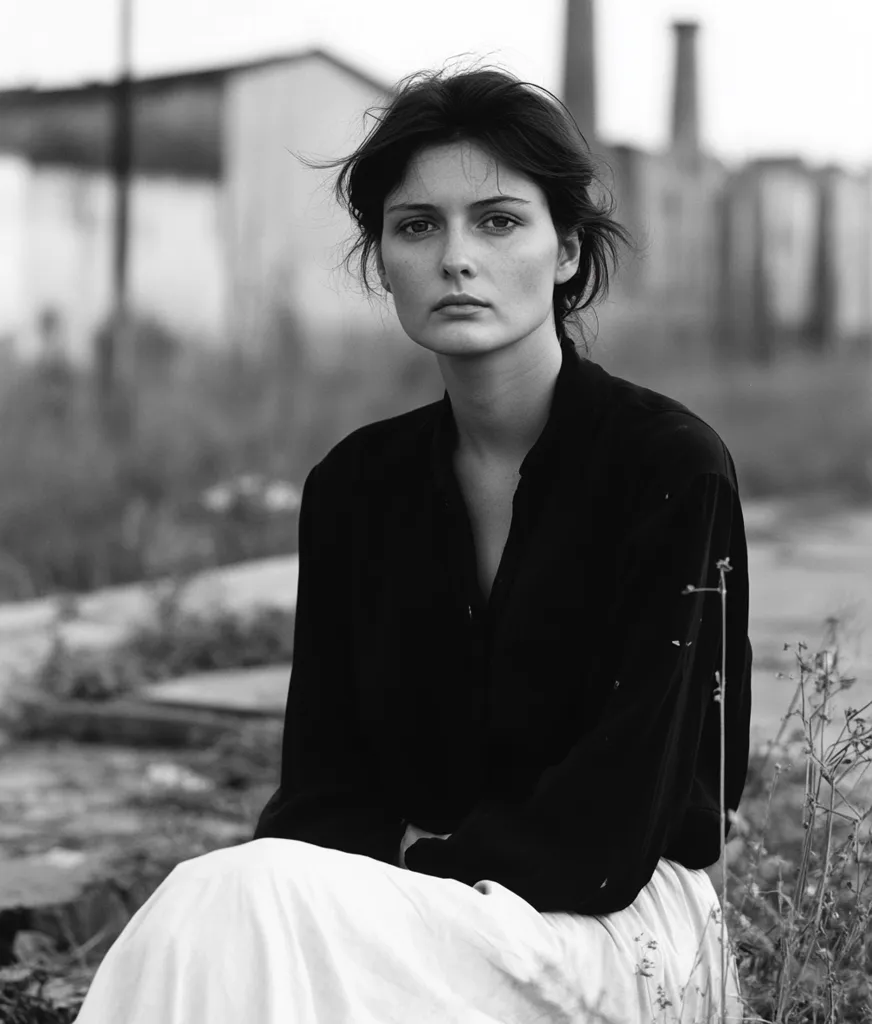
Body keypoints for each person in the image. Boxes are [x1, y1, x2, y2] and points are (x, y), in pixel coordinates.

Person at [74, 62, 752, 1024]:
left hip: (623, 932)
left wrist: (412, 874)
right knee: (233, 899)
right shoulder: (354, 489)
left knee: (234, 901)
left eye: (500, 220)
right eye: (417, 225)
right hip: (420, 914)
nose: (455, 257)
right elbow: (320, 795)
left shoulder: (669, 469)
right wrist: (386, 886)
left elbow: (615, 827)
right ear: (381, 257)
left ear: (566, 251)